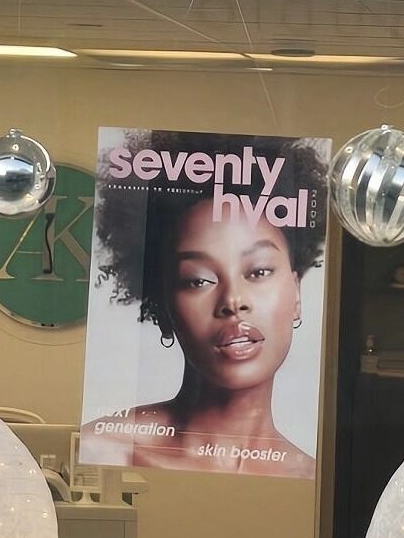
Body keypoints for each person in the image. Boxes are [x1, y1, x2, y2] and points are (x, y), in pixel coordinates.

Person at [82, 132, 328, 479]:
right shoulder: (106, 450)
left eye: (258, 271)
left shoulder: (312, 480)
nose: (233, 301)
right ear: (162, 306)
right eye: (197, 280)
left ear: (297, 293)